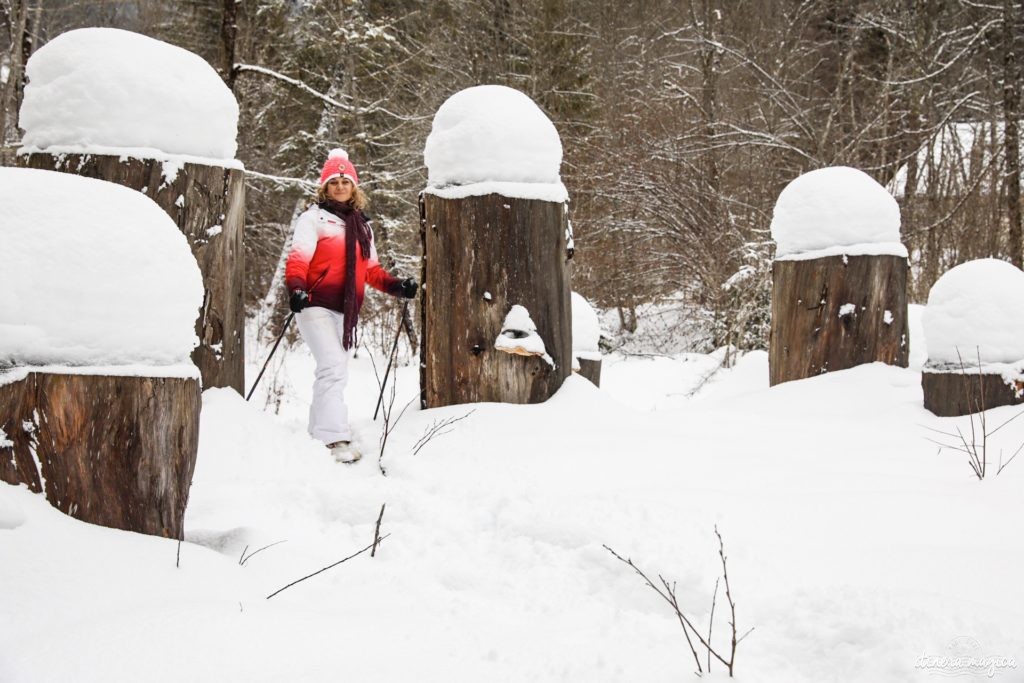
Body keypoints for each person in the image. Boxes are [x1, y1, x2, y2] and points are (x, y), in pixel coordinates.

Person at [285, 148, 417, 463]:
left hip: (345, 312)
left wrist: (397, 286)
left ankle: (318, 431)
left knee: (333, 370)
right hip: (314, 304)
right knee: (333, 366)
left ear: (354, 187)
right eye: (334, 182)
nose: (340, 187)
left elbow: (369, 270)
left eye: (345, 181)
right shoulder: (313, 218)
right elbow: (298, 258)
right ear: (325, 187)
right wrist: (297, 289)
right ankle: (334, 439)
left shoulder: (362, 228)